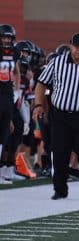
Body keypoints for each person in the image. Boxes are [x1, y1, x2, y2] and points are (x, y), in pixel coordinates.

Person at [33, 33, 79, 200]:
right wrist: (38, 105)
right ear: (70, 47)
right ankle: (60, 189)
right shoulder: (57, 62)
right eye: (76, 47)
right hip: (60, 115)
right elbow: (41, 83)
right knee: (59, 152)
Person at [0, 24, 21, 184]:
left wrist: (17, 92)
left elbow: (16, 72)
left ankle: (2, 172)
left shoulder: (15, 53)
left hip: (7, 95)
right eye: (4, 37)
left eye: (9, 37)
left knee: (4, 133)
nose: (6, 40)